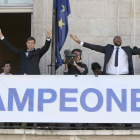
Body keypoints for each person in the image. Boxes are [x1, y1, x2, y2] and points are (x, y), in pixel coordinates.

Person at [70, 35, 140, 75]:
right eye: (116, 38)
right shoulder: (108, 48)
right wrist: (80, 42)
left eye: (120, 38)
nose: (118, 39)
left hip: (124, 77)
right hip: (109, 77)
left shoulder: (127, 49)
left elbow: (138, 50)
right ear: (113, 41)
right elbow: (94, 47)